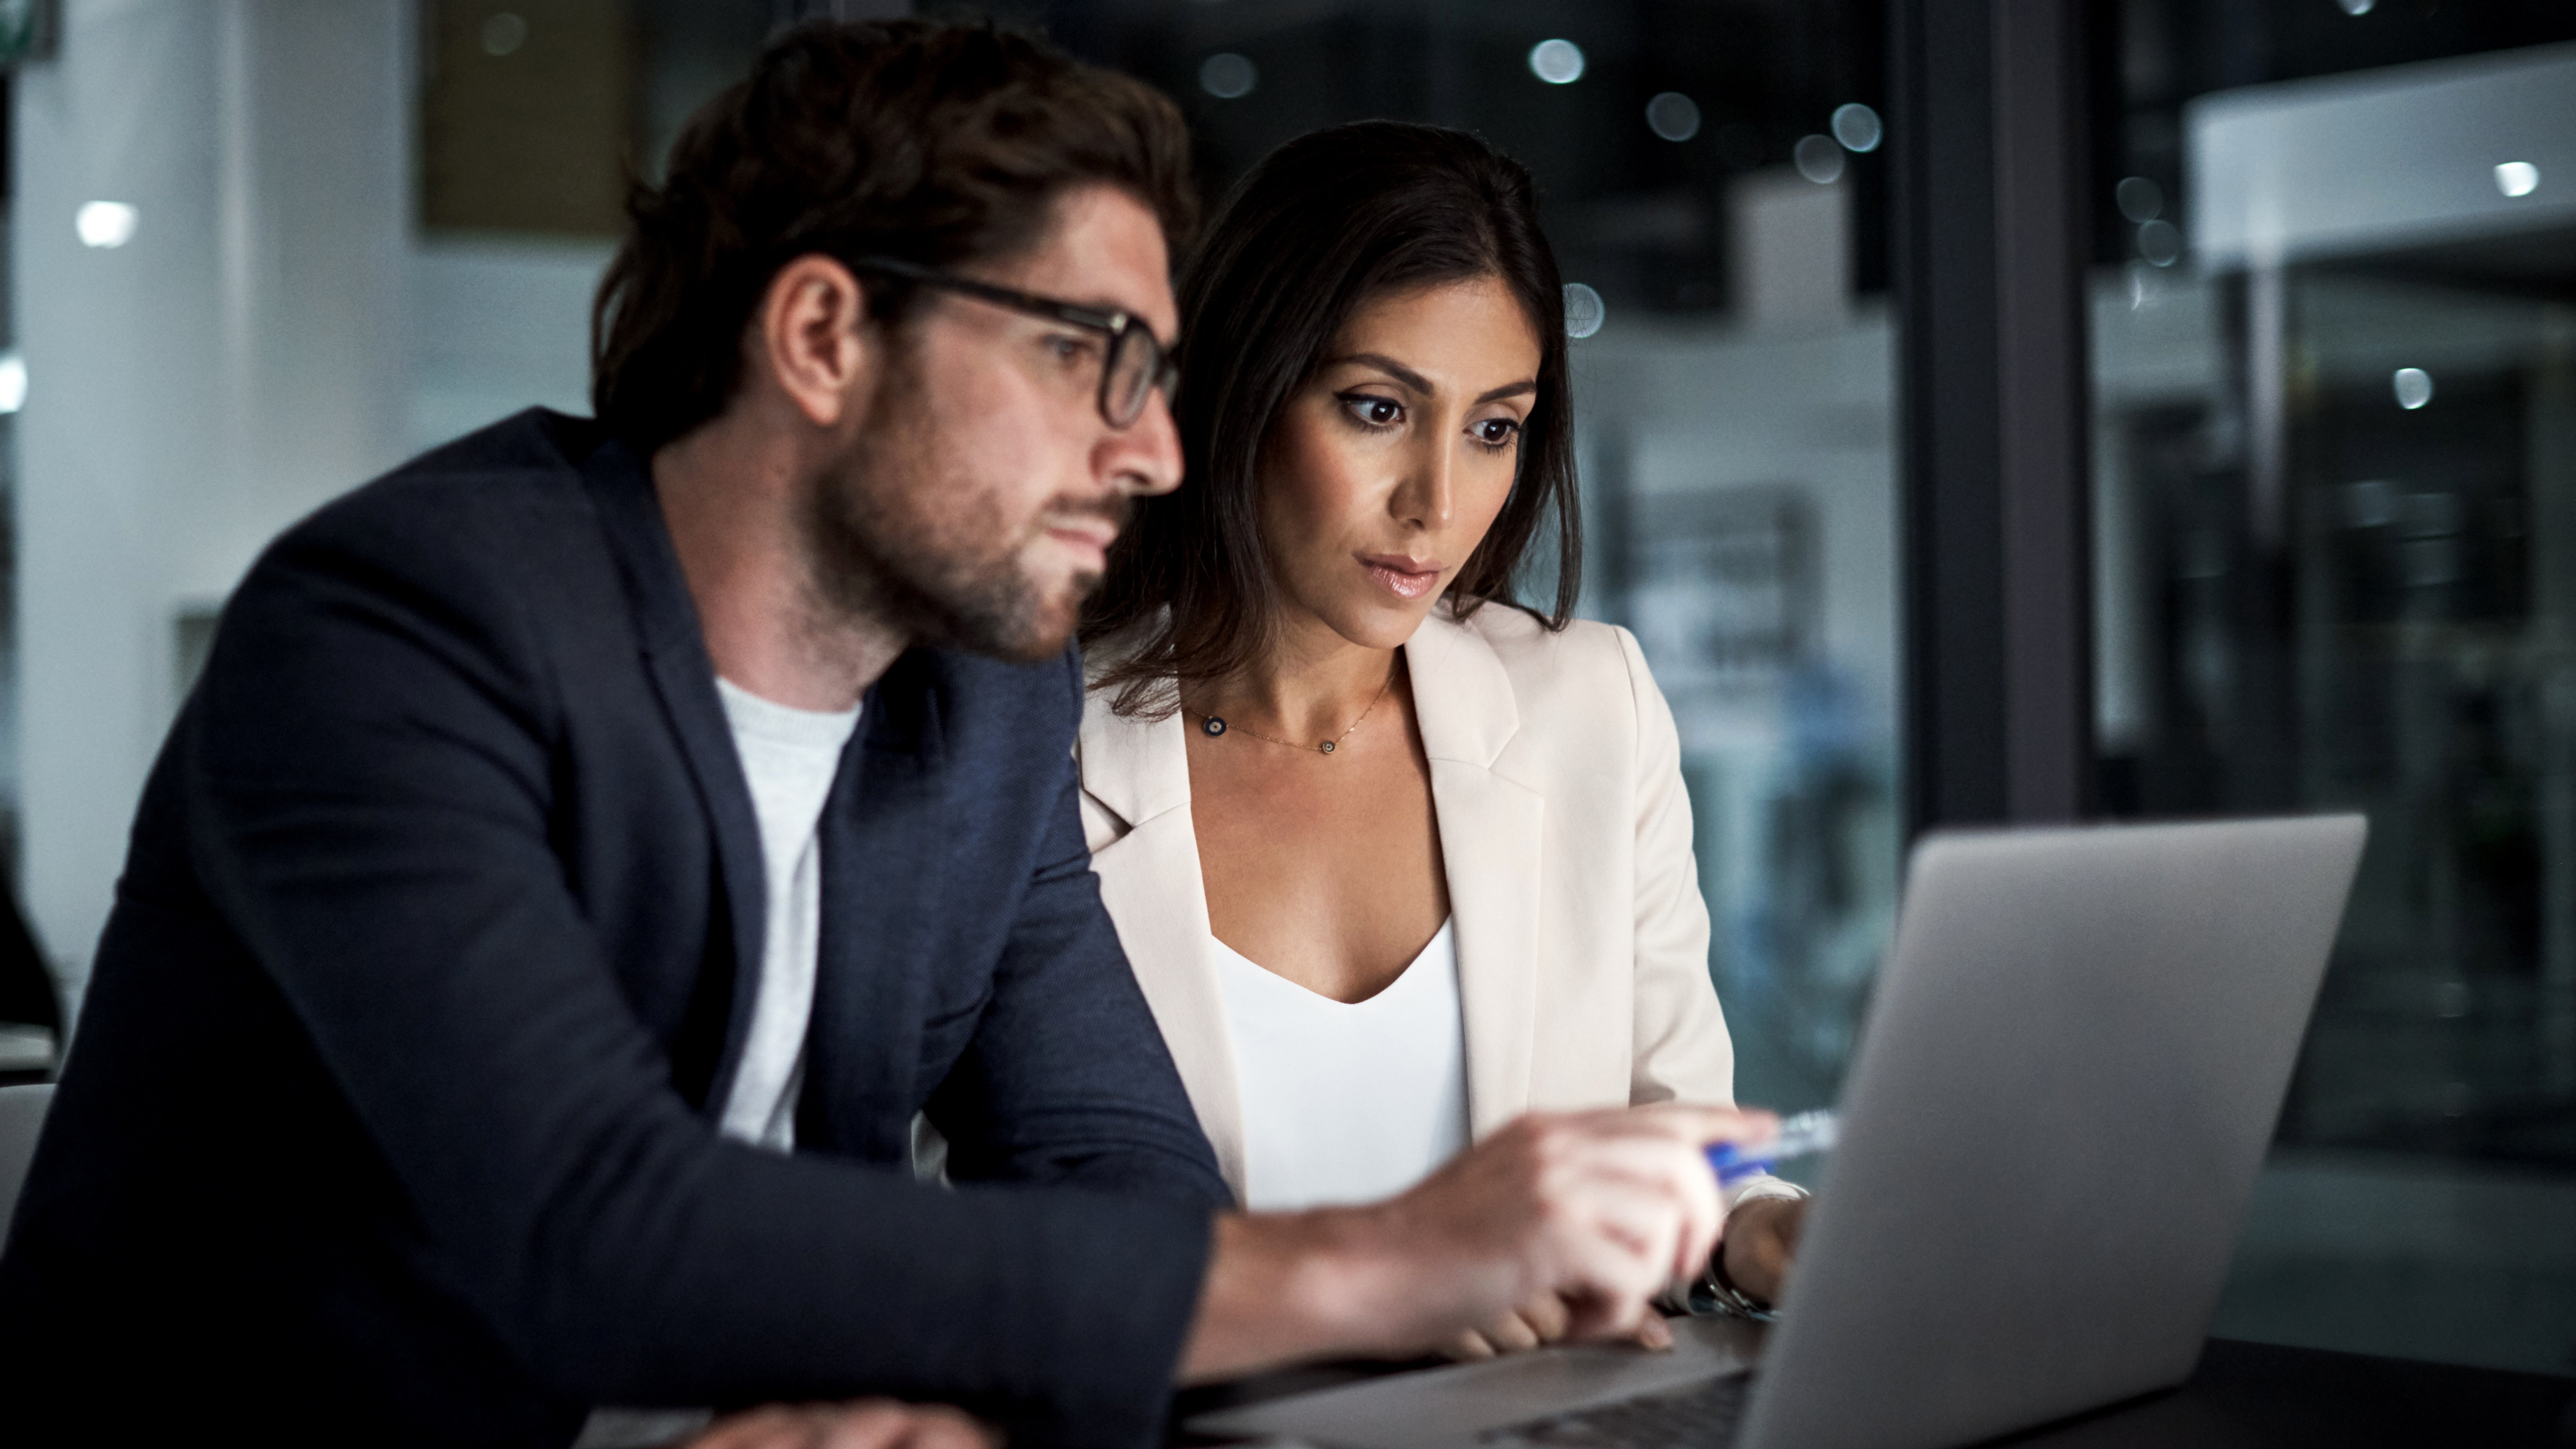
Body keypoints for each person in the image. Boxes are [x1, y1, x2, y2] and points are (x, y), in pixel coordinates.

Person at [0, 21, 1766, 1448]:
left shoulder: (979, 701)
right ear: (829, 333)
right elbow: (594, 1225)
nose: (1152, 454)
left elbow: (1110, 1162)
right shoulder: (400, 625)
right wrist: (1384, 1258)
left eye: (1158, 378)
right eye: (1093, 355)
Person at [1078, 121, 1811, 1359]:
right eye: (1378, 409)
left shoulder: (1591, 703)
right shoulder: (1033, 747)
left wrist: (1763, 1234)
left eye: (1494, 428)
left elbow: (1681, 1135)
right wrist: (1365, 1303)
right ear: (1242, 387)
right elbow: (961, 1226)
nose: (1438, 502)